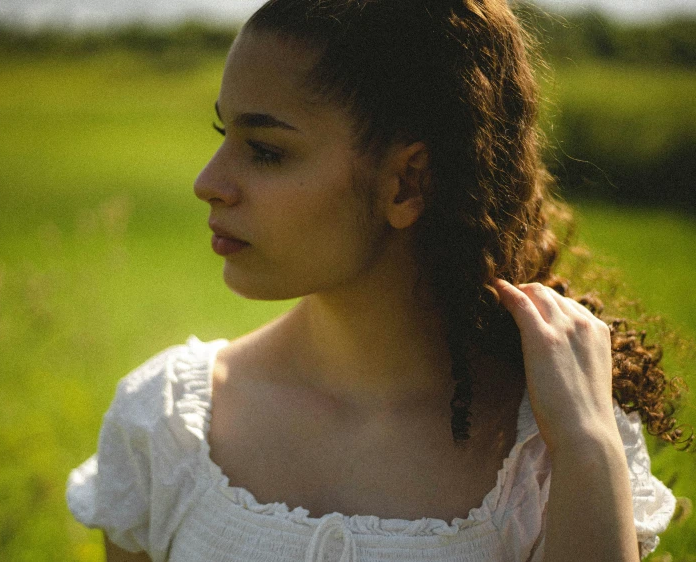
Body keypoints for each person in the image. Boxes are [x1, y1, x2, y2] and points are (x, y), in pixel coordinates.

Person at [67, 1, 687, 560]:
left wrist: (587, 448)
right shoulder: (165, 425)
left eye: (265, 150)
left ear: (406, 182)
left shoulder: (548, 456)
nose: (209, 182)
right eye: (221, 134)